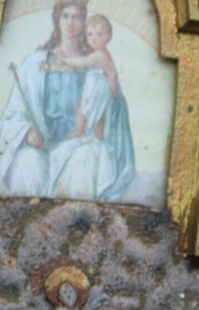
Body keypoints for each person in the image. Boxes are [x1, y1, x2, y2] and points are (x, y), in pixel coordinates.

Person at [0, 0, 134, 202]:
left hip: (79, 145)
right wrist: (26, 132)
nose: (71, 23)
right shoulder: (35, 64)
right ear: (57, 20)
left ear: (85, 23)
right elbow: (13, 114)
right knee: (26, 162)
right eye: (65, 16)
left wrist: (112, 92)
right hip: (42, 147)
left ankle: (75, 227)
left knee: (87, 159)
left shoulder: (95, 64)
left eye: (77, 17)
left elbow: (115, 109)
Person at [47, 14, 134, 201]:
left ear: (108, 36)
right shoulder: (102, 54)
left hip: (99, 88)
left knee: (95, 113)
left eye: (98, 34)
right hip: (92, 85)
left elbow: (84, 64)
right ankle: (81, 130)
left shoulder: (100, 54)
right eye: (90, 34)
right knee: (83, 108)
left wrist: (64, 58)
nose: (93, 38)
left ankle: (97, 133)